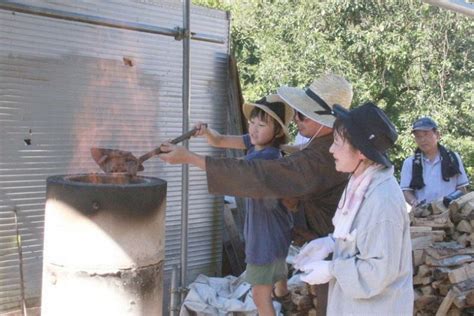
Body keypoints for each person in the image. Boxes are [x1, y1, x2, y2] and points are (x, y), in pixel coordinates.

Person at [158, 73, 353, 315]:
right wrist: (209, 136)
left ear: (323, 119)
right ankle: (287, 302)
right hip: (318, 240)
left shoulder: (318, 156)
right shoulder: (325, 143)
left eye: (302, 114)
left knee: (320, 305)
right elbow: (295, 152)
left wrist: (190, 158)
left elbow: (260, 174)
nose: (298, 119)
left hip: (329, 243)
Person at [294, 102, 414, 315]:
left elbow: (379, 271)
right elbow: (361, 236)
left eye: (337, 143)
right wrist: (331, 243)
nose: (331, 149)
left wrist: (332, 269)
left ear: (361, 152)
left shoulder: (382, 200)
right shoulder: (361, 183)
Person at [193, 94, 295, 315]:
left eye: (261, 125)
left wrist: (187, 157)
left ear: (277, 132)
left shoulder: (266, 157)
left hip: (266, 236)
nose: (254, 129)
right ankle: (285, 298)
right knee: (277, 271)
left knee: (259, 297)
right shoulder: (256, 143)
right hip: (278, 230)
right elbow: (220, 141)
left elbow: (230, 169)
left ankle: (280, 298)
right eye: (252, 122)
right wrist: (207, 132)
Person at [400, 117, 469, 207]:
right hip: (424, 214)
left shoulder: (453, 158)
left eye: (426, 134)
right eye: (418, 136)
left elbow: (462, 188)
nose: (422, 140)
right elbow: (406, 190)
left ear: (437, 135)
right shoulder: (410, 162)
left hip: (449, 212)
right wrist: (414, 202)